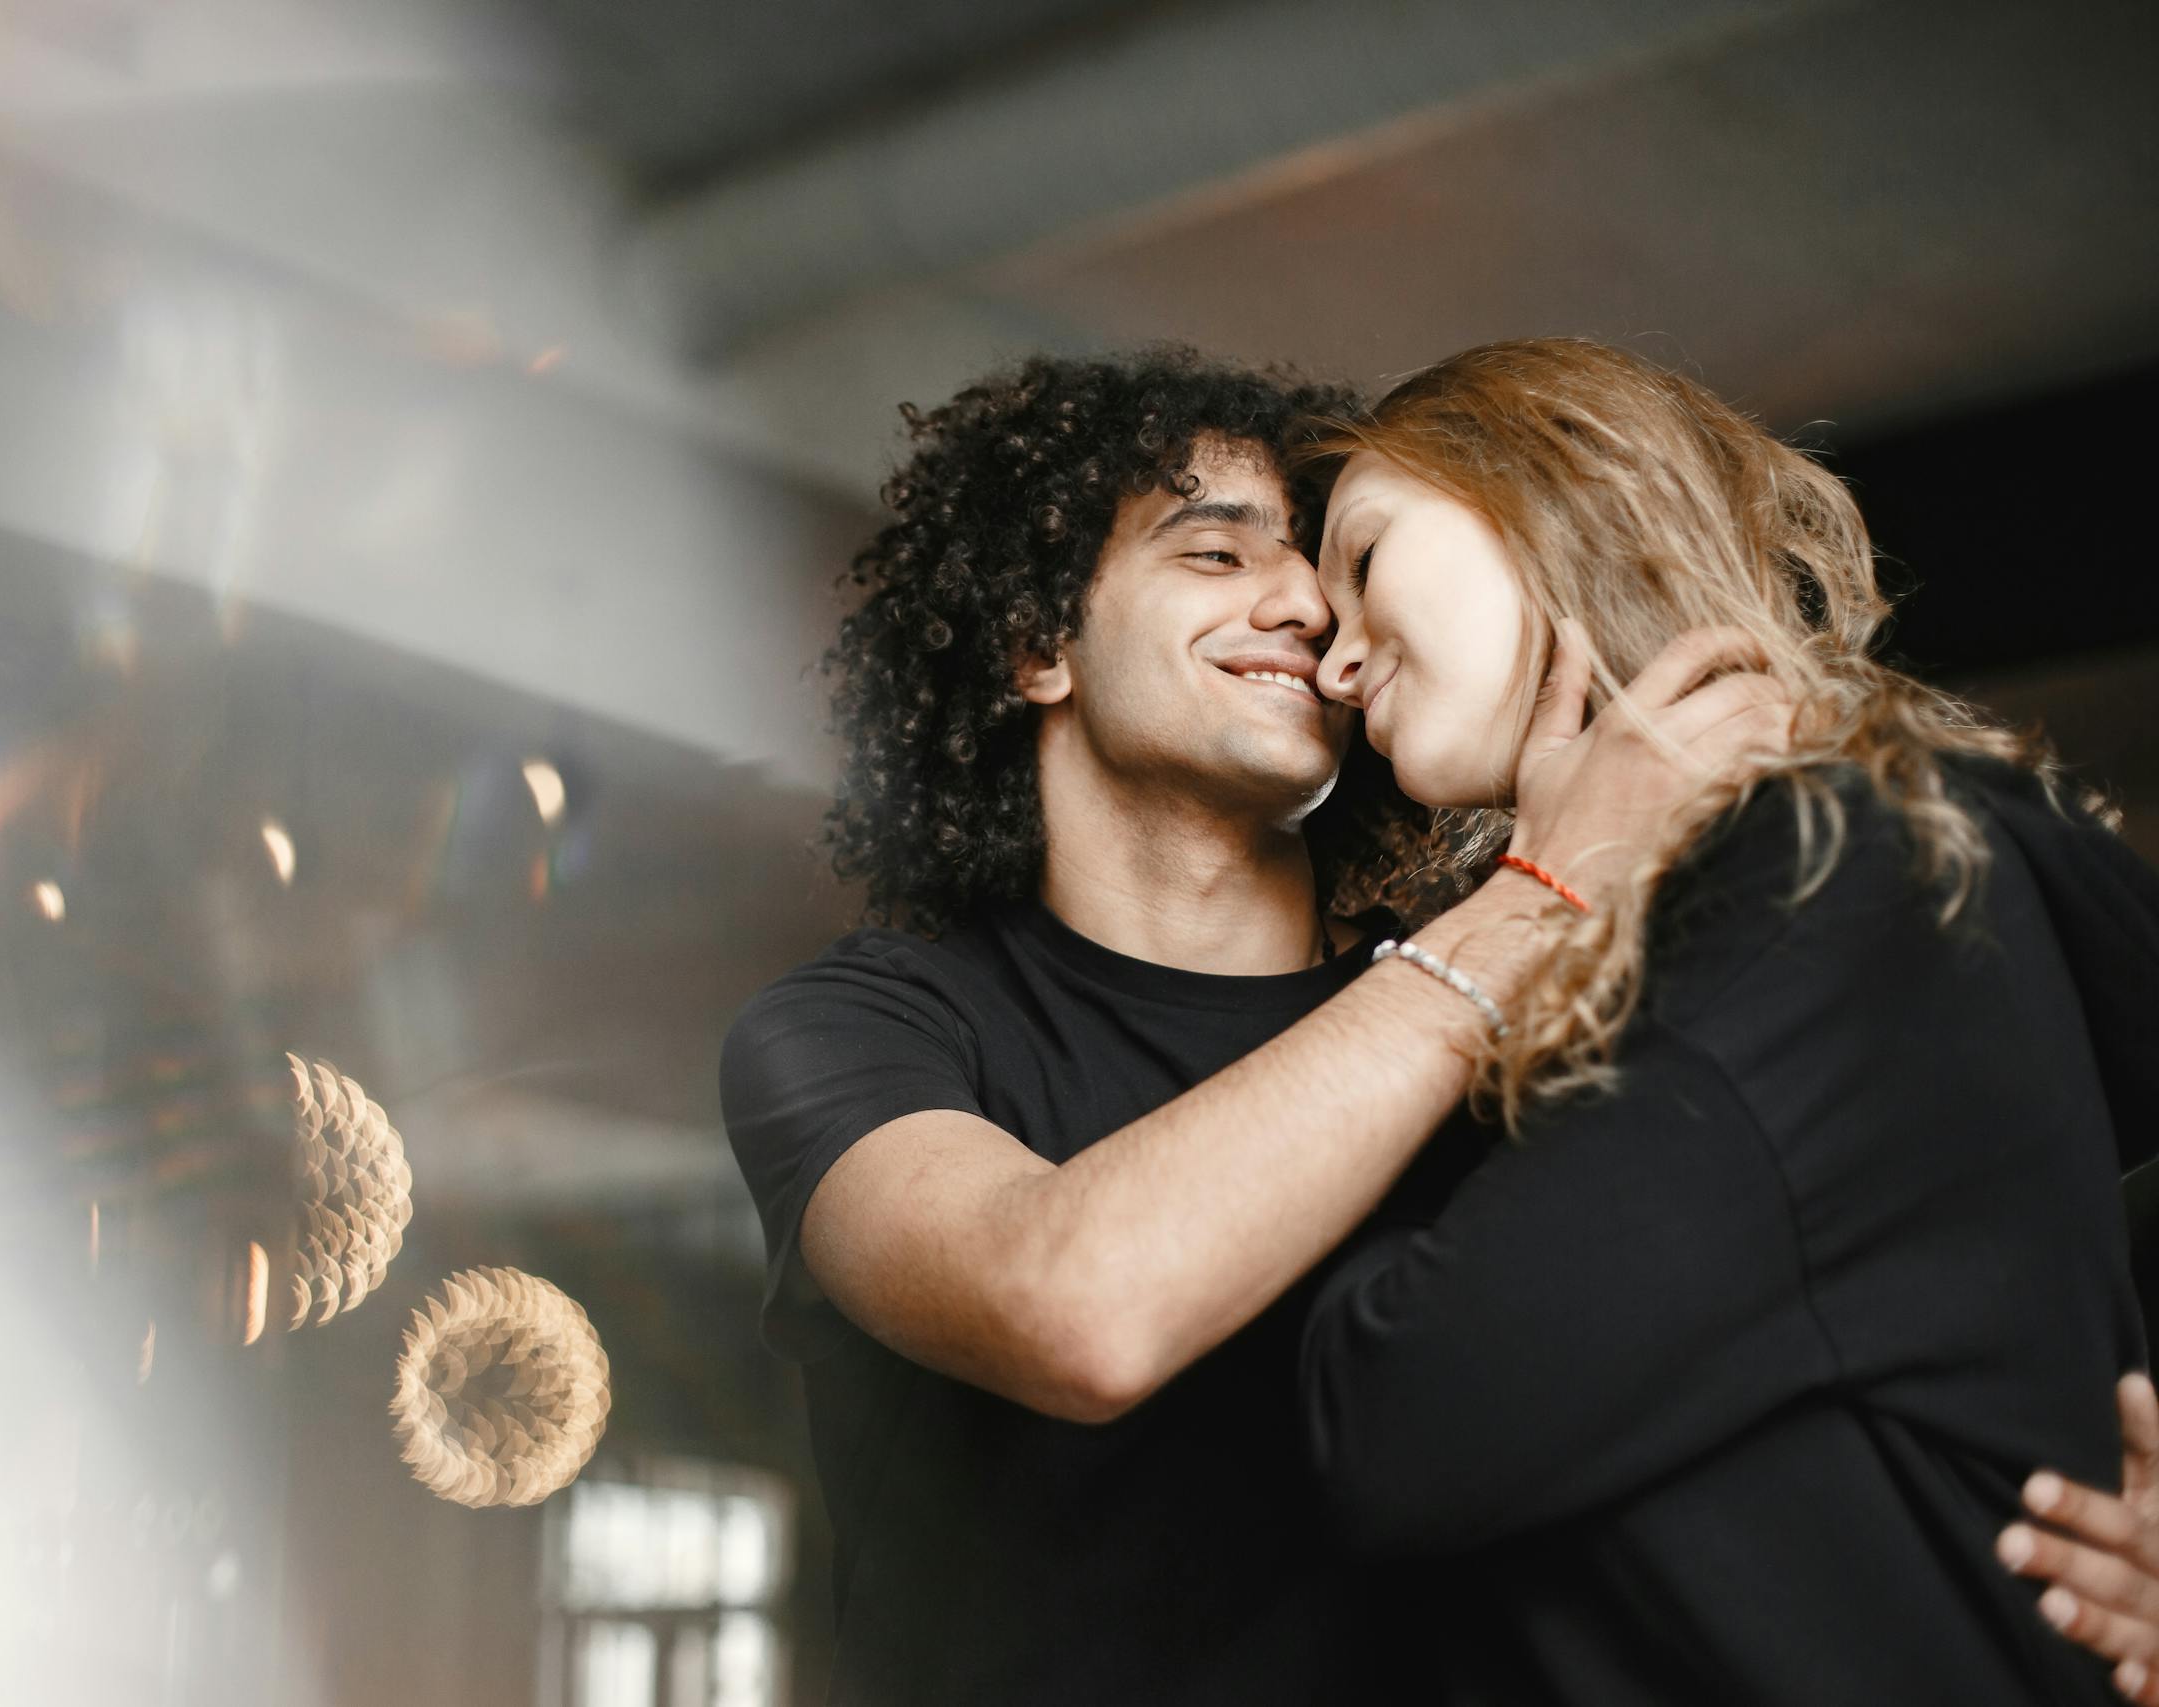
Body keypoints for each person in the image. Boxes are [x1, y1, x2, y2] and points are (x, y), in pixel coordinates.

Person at [719, 347, 2159, 1704]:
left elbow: (1961, 1274)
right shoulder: (860, 1028)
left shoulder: (1555, 1018)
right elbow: (1070, 1306)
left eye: (1335, 579)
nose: (1309, 620)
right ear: (1039, 646)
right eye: (1216, 552)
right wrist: (1541, 891)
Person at [1290, 336, 2159, 1705]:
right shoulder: (1719, 916)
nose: (1336, 662)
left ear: (1554, 494)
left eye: (1366, 559)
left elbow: (1397, 1419)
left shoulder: (1836, 879)